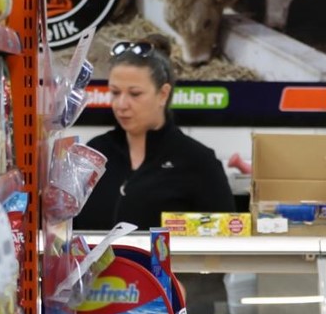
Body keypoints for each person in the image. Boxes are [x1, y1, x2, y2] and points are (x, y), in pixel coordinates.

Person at [77, 35, 234, 232]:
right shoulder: (95, 153)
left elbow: (223, 244)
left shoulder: (198, 161)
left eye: (135, 94)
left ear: (163, 94)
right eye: (115, 92)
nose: (121, 104)